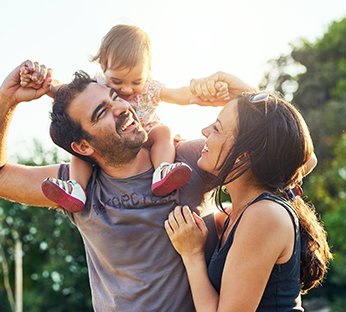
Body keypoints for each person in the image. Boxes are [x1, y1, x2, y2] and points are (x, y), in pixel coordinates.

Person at [0, 60, 258, 312]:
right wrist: (6, 98)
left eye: (116, 97)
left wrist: (248, 95)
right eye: (102, 112)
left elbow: (289, 158)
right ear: (83, 147)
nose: (122, 107)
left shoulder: (190, 160)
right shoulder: (76, 187)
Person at [165, 75, 332, 312]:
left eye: (217, 128)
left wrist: (192, 255)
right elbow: (299, 155)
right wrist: (252, 99)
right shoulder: (238, 214)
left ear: (244, 155)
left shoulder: (264, 215)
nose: (204, 131)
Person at [20, 25, 229, 212]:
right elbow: (64, 91)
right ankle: (76, 188)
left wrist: (202, 93)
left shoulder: (149, 88)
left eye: (136, 81)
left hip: (145, 132)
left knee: (164, 132)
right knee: (83, 150)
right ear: (103, 66)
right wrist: (43, 83)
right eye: (117, 81)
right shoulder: (97, 86)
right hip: (114, 140)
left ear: (147, 72)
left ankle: (163, 169)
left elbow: (176, 94)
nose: (127, 89)